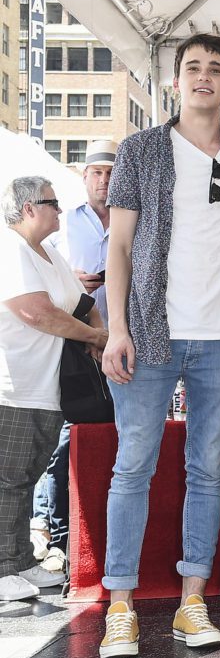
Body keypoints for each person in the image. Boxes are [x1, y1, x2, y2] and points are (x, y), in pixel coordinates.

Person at [99, 34, 220, 658]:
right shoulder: (141, 150)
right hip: (150, 331)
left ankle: (191, 600)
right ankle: (119, 606)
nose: (204, 77)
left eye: (216, 69)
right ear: (177, 81)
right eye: (193, 68)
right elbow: (118, 247)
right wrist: (117, 328)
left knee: (208, 469)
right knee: (132, 466)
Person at [1, 177, 107, 601]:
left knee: (25, 478)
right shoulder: (11, 248)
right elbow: (36, 312)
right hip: (14, 385)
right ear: (28, 208)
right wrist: (96, 338)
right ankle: (4, 567)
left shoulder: (48, 254)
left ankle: (20, 560)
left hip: (49, 387)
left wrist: (97, 332)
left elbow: (80, 304)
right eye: (52, 203)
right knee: (8, 479)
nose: (61, 211)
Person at [31, 140, 118, 579]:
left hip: (121, 341)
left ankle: (93, 530)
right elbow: (43, 265)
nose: (104, 180)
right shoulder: (64, 223)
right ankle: (55, 531)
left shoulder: (129, 216)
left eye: (110, 171)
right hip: (74, 347)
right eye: (97, 172)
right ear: (84, 177)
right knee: (67, 437)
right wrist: (73, 278)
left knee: (116, 437)